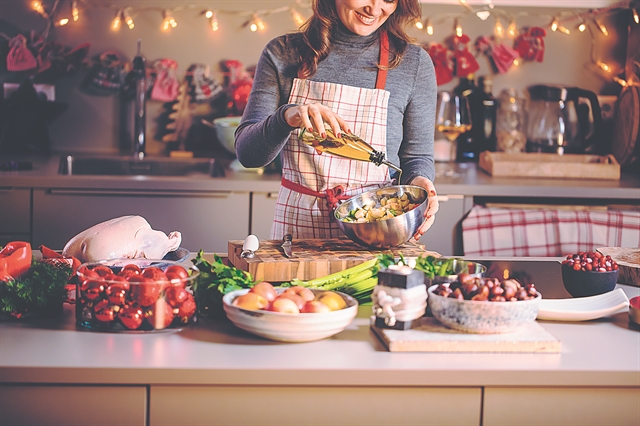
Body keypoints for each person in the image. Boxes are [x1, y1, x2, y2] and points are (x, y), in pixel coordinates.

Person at [235, 0, 439, 241]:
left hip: (378, 231)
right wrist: (287, 116)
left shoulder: (413, 63)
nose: (374, 9)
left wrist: (420, 182)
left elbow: (416, 157)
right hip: (298, 235)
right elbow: (248, 155)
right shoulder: (282, 53)